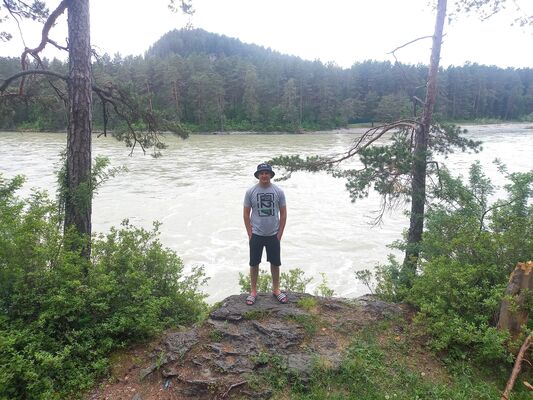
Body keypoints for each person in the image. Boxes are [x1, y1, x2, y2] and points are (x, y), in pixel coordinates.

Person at [243, 163, 287, 305]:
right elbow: (246, 213)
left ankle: (276, 289)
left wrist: (280, 233)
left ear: (270, 175)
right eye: (261, 173)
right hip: (256, 234)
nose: (264, 175)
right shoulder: (250, 192)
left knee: (275, 263)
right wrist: (249, 233)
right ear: (258, 175)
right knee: (254, 263)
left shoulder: (278, 191)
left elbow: (283, 213)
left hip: (273, 234)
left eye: (266, 173)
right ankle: (253, 291)